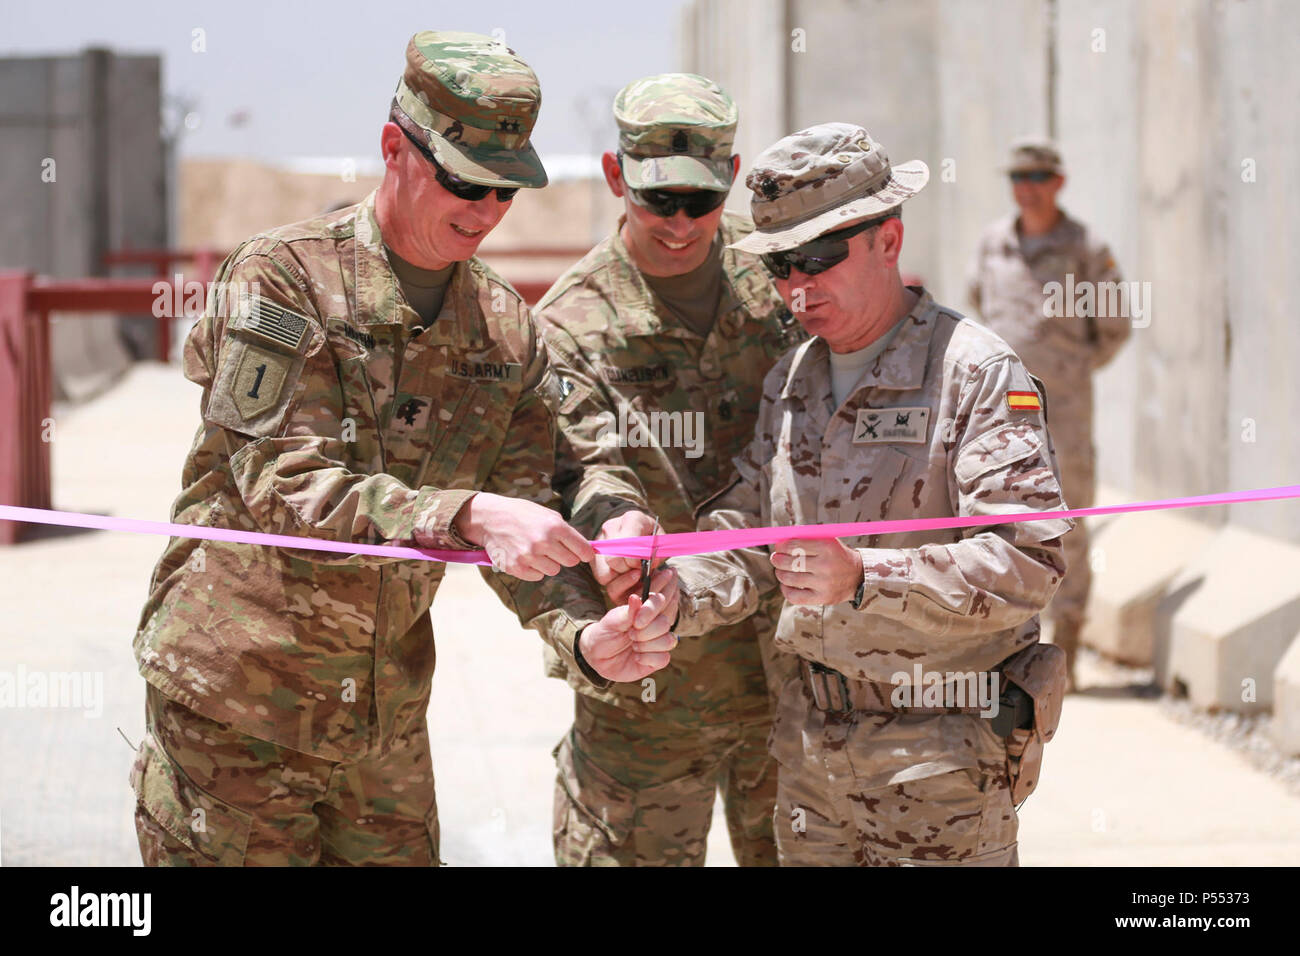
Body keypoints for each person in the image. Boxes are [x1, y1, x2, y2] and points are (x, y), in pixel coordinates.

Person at [129, 30, 677, 867]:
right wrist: (467, 515)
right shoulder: (279, 281)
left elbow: (537, 499)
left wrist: (585, 632)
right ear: (395, 146)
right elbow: (281, 479)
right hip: (238, 711)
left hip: (380, 724)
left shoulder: (504, 327)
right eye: (462, 179)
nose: (484, 209)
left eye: (505, 191)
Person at [674, 122, 1073, 866]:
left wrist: (864, 576)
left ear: (888, 241)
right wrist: (673, 592)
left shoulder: (976, 373)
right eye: (781, 265)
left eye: (820, 257)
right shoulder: (793, 380)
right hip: (810, 768)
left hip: (940, 769)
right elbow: (750, 531)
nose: (799, 286)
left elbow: (1029, 564)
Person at [536, 73, 805, 866]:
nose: (682, 224)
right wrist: (612, 530)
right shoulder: (570, 323)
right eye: (659, 201)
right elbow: (572, 470)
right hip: (642, 694)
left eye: (703, 200)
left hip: (783, 682)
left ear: (733, 177)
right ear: (617, 176)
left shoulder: (784, 289)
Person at [967, 139, 1131, 689]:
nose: (1026, 186)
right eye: (1017, 176)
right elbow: (977, 303)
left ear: (1058, 182)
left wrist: (1071, 367)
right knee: (1003, 516)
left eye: (1037, 175)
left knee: (1069, 519)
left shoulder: (1084, 246)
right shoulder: (995, 243)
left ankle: (1069, 645)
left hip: (1064, 408)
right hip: (1006, 408)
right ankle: (1009, 645)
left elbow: (1114, 324)